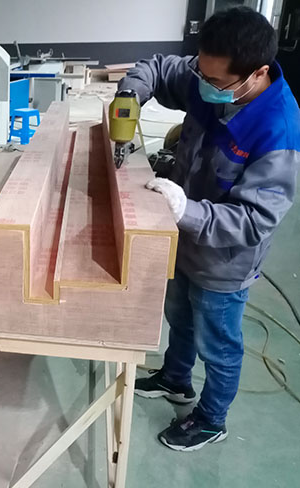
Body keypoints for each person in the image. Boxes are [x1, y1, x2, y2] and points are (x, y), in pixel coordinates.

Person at [119, 7, 300, 451]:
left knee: (218, 343)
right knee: (179, 316)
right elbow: (157, 68)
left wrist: (186, 210)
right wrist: (129, 96)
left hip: (225, 262)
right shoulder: (211, 74)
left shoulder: (278, 129)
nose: (204, 84)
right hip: (183, 238)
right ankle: (175, 378)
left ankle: (211, 418)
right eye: (201, 72)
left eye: (215, 81)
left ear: (257, 74)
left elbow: (255, 219)